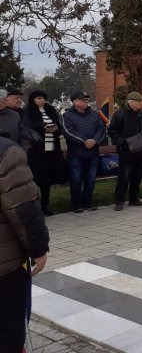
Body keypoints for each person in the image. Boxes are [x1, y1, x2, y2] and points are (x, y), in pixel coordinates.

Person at [0, 134, 49, 353]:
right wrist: (38, 248)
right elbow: (23, 208)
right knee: (8, 332)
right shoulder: (6, 153)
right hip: (5, 269)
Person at [61, 91, 106, 213]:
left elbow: (102, 129)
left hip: (93, 153)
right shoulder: (67, 116)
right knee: (76, 179)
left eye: (86, 99)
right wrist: (84, 140)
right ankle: (77, 204)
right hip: (76, 154)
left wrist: (95, 140)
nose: (86, 102)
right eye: (83, 100)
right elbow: (68, 132)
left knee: (91, 179)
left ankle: (87, 202)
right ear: (75, 102)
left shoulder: (95, 114)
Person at [21, 90, 63, 216]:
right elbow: (29, 126)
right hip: (35, 150)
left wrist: (55, 128)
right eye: (39, 98)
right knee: (35, 178)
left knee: (47, 178)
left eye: (43, 98)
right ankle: (36, 205)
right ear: (33, 99)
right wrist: (44, 127)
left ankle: (45, 204)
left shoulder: (50, 109)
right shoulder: (27, 111)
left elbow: (59, 125)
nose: (42, 100)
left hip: (51, 149)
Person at [108, 91, 142, 211]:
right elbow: (112, 130)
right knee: (124, 176)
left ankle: (133, 198)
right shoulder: (120, 114)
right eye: (139, 101)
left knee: (137, 175)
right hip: (126, 151)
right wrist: (122, 142)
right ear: (131, 102)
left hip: (140, 149)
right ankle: (119, 200)